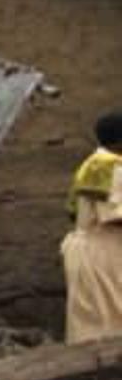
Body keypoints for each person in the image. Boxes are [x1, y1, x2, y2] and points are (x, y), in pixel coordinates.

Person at [62, 111, 122, 343]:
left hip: (87, 249)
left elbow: (72, 212)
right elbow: (116, 216)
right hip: (104, 253)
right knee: (109, 328)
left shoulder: (91, 165)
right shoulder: (111, 166)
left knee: (90, 326)